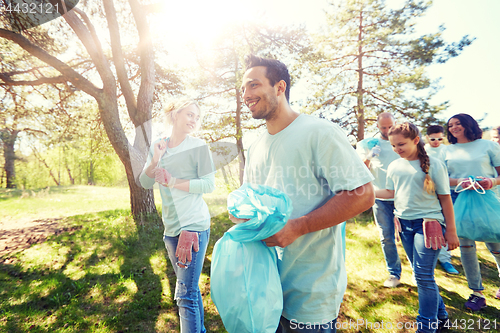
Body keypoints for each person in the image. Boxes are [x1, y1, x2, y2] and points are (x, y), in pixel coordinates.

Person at [240, 54, 375, 333]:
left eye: (253, 85)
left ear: (280, 87)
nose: (246, 95)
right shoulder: (255, 146)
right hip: (264, 285)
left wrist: (299, 227)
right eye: (243, 88)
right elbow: (251, 200)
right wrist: (241, 215)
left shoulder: (319, 132)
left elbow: (363, 195)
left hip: (310, 292)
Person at [139, 99, 215, 333]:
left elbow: (208, 184)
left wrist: (173, 181)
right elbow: (145, 182)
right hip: (171, 228)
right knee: (190, 291)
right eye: (190, 114)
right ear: (174, 114)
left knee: (184, 294)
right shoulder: (159, 145)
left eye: (197, 117)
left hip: (192, 226)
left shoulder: (198, 146)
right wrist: (155, 159)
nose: (194, 120)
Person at [376, 122, 459, 333]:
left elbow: (446, 199)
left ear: (415, 140)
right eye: (393, 146)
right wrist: (367, 191)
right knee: (421, 274)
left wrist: (451, 231)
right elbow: (390, 193)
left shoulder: (434, 164)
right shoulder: (394, 166)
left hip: (428, 225)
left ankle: (426, 327)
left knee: (422, 276)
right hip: (403, 225)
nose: (397, 149)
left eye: (401, 144)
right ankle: (441, 317)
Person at [443, 113, 500, 311]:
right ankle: (477, 293)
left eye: (458, 123)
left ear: (469, 125)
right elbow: (442, 179)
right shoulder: (446, 150)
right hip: (459, 201)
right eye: (450, 125)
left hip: (487, 201)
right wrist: (461, 182)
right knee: (466, 249)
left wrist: (491, 181)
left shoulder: (489, 146)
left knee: (496, 246)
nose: (454, 127)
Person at [356, 112, 402, 287]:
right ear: (377, 126)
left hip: (402, 195)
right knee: (386, 236)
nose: (387, 130)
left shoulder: (400, 141)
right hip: (380, 197)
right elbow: (359, 169)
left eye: (390, 126)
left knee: (408, 235)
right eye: (383, 127)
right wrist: (369, 157)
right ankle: (394, 274)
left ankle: (417, 272)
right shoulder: (368, 144)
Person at [424, 125, 459, 275]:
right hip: (427, 192)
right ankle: (430, 255)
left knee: (445, 223)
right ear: (427, 138)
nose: (436, 142)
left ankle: (446, 259)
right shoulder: (423, 149)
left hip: (445, 191)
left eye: (440, 138)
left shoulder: (447, 150)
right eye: (433, 139)